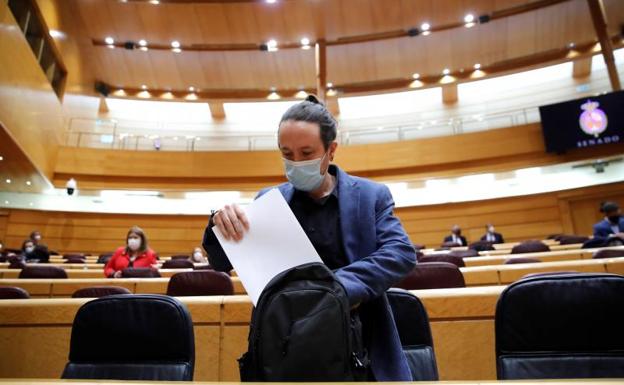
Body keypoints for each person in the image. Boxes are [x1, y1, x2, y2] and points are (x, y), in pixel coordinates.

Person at [202, 95, 416, 381]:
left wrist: (333, 289)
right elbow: (220, 262)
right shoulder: (269, 200)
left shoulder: (370, 196)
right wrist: (219, 223)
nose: (296, 163)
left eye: (306, 153)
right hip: (283, 345)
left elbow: (401, 253)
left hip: (357, 343)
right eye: (287, 154)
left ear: (331, 150)